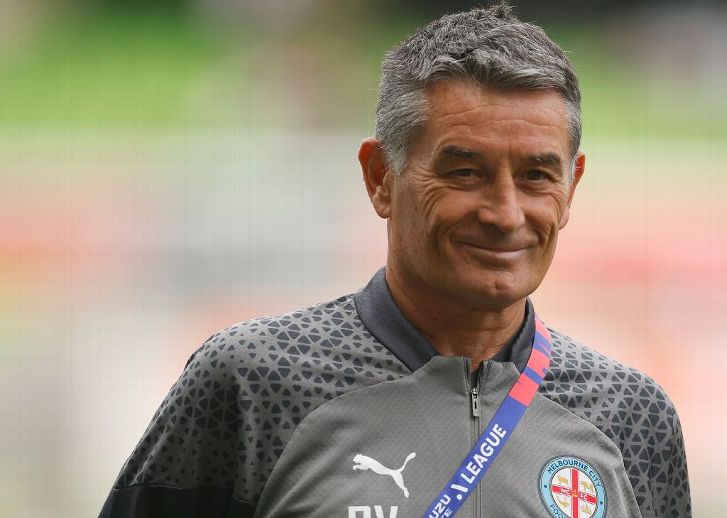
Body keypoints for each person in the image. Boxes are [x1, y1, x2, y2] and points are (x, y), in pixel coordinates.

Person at [100, 4, 691, 517]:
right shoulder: (255, 380)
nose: (506, 213)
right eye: (466, 172)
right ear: (381, 177)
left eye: (537, 176)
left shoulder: (631, 415)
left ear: (571, 187)